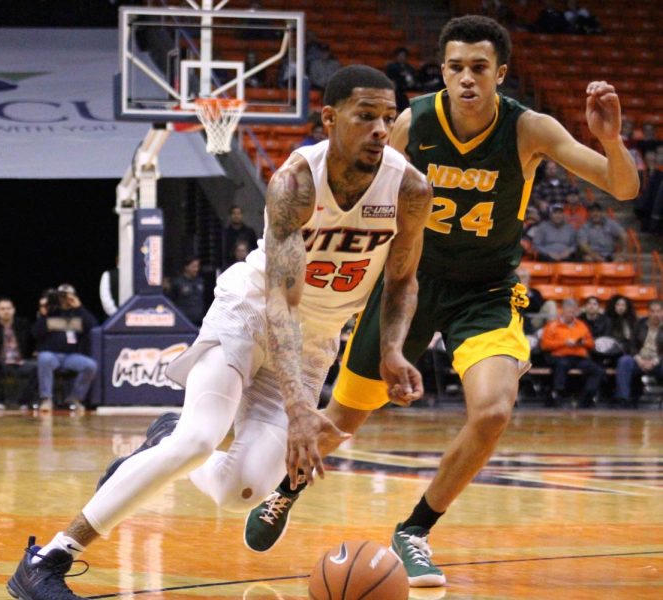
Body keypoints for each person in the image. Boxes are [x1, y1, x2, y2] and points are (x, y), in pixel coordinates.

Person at [6, 64, 433, 600]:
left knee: (242, 490)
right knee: (199, 439)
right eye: (365, 116)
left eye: (388, 118)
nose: (379, 128)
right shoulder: (298, 181)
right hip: (251, 313)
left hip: (315, 341)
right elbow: (281, 300)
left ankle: (160, 439)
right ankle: (48, 559)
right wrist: (301, 408)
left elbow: (401, 283)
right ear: (329, 119)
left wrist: (392, 350)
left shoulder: (411, 188)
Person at [243, 15, 639, 588]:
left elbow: (623, 187)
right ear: (443, 71)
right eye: (455, 67)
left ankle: (416, 530)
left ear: (500, 74)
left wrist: (609, 140)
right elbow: (357, 180)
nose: (466, 79)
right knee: (343, 421)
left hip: (486, 289)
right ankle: (286, 491)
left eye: (479, 68)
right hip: (410, 281)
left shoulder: (529, 129)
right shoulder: (413, 121)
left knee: (494, 412)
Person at [33, 285, 98, 413]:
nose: (64, 299)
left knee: (90, 365)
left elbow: (93, 326)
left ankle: (75, 399)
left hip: (71, 356)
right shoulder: (51, 312)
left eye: (67, 296)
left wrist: (79, 307)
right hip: (52, 354)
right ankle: (46, 399)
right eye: (61, 296)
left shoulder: (79, 314)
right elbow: (36, 333)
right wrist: (44, 314)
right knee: (44, 358)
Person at [540, 298, 604, 407]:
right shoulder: (552, 325)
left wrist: (582, 342)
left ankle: (586, 398)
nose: (572, 314)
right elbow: (545, 345)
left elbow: (591, 343)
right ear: (563, 311)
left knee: (597, 370)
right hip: (560, 356)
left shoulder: (581, 325)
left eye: (574, 312)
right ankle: (558, 396)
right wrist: (564, 343)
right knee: (562, 365)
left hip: (579, 356)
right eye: (569, 312)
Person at [0, 297, 36, 410]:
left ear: (13, 310)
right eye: (2, 309)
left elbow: (34, 340)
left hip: (20, 362)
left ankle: (24, 401)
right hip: (1, 362)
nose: (6, 311)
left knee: (37, 367)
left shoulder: (23, 324)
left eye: (8, 308)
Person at [613, 300, 663, 407]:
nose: (656, 314)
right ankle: (623, 399)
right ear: (648, 312)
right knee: (624, 361)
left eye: (659, 311)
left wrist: (654, 361)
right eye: (653, 311)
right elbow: (632, 345)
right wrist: (639, 359)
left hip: (659, 361)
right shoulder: (639, 324)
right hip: (640, 359)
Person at [166, 256, 206, 326]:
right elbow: (170, 302)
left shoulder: (201, 281)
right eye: (193, 267)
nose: (196, 269)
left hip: (200, 321)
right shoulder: (177, 282)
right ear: (186, 267)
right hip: (184, 322)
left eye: (197, 266)